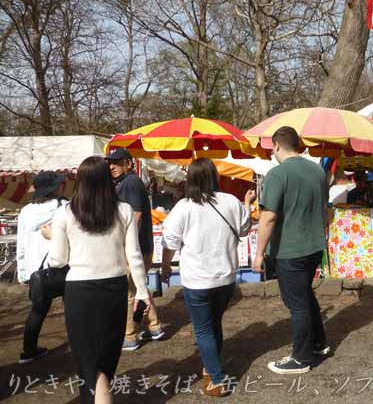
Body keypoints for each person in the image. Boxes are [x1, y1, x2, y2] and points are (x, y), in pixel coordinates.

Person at [48, 156, 153, 404]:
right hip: (114, 289)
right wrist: (141, 291)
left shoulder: (64, 214)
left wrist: (50, 235)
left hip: (79, 292)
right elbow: (134, 256)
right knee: (105, 361)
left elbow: (57, 260)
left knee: (87, 361)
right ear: (108, 179)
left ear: (80, 182)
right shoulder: (124, 210)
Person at [161, 159, 255, 397]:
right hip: (225, 277)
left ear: (190, 179)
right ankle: (210, 367)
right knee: (214, 324)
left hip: (198, 280)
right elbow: (245, 228)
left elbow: (170, 242)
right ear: (215, 176)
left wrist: (164, 266)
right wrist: (246, 203)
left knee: (203, 329)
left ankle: (216, 378)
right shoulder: (230, 201)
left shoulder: (184, 206)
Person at [252, 127, 330, 375]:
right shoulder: (318, 171)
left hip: (290, 249)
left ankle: (301, 358)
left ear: (276, 145)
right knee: (305, 296)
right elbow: (325, 210)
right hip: (315, 245)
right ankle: (318, 343)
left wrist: (258, 253)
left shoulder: (277, 174)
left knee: (297, 305)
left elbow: (268, 217)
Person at [104, 148, 163, 351]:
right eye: (110, 162)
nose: (112, 166)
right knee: (139, 288)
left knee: (128, 293)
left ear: (128, 163)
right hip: (140, 246)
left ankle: (129, 335)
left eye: (117, 162)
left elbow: (136, 215)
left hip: (136, 247)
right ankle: (154, 326)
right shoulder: (125, 182)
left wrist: (128, 244)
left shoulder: (130, 182)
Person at [16, 171, 67, 364]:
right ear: (54, 188)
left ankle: (28, 351)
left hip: (36, 272)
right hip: (61, 265)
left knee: (37, 310)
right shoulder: (64, 207)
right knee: (71, 308)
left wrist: (22, 272)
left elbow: (20, 244)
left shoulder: (25, 211)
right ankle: (80, 346)